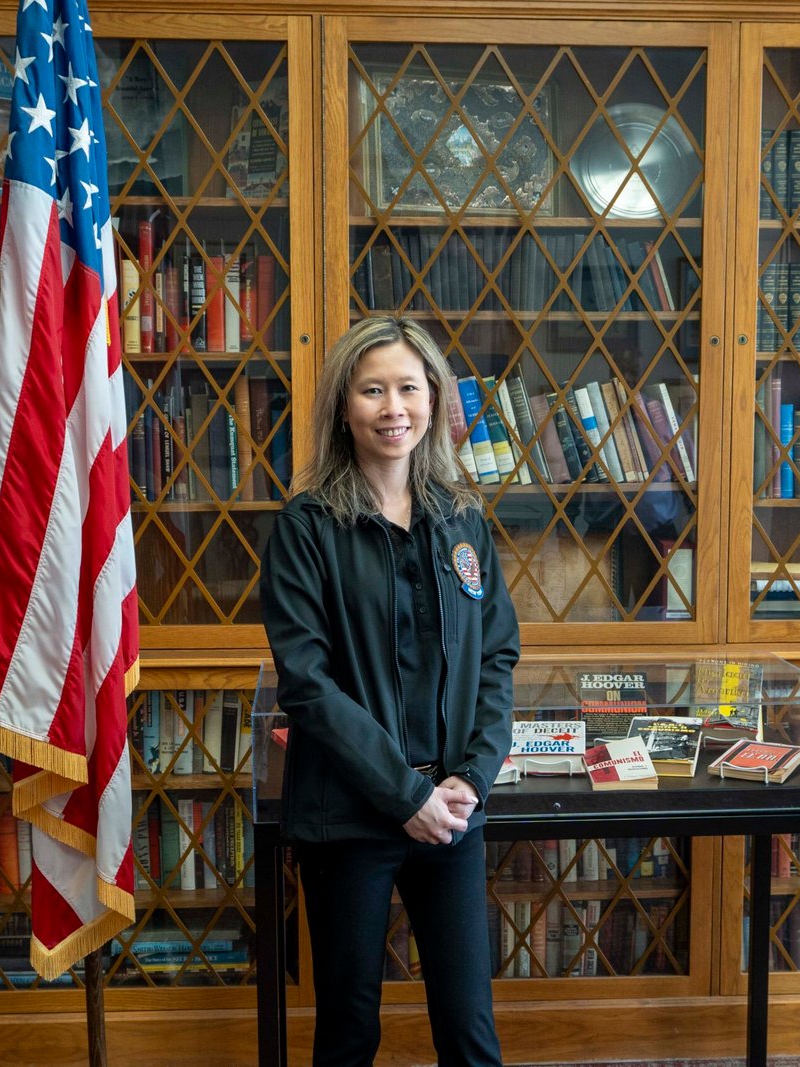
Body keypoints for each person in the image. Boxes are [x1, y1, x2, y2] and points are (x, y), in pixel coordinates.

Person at [261, 316, 520, 1067]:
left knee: (470, 1033)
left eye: (408, 387)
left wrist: (472, 777)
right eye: (372, 390)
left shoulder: (461, 518)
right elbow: (307, 685)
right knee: (349, 1032)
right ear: (344, 406)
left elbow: (496, 656)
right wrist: (405, 795)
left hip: (453, 812)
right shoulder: (307, 527)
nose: (393, 407)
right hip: (349, 816)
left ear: (433, 399)